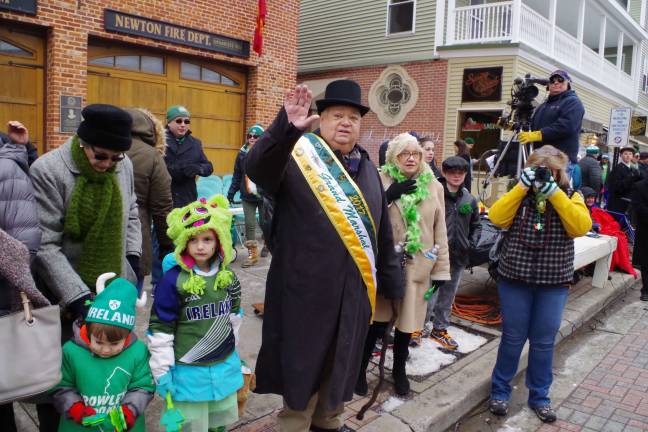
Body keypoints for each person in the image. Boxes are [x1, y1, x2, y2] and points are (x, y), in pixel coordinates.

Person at [246, 80, 402, 432]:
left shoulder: (368, 171)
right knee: (304, 367)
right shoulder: (296, 158)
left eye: (353, 117)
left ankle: (328, 422)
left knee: (341, 363)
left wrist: (393, 285)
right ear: (321, 119)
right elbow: (257, 169)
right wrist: (284, 129)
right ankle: (295, 425)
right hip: (306, 293)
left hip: (354, 294)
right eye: (336, 115)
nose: (346, 122)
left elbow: (382, 233)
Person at [30, 104, 142, 431]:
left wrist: (132, 263)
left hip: (111, 287)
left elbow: (132, 212)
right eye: (101, 156)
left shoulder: (125, 165)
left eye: (116, 158)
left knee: (107, 377)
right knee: (63, 381)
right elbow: (45, 244)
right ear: (82, 142)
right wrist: (79, 299)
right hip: (64, 296)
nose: (108, 165)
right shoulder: (48, 170)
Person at [487, 145, 591, 423]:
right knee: (512, 337)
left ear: (561, 171)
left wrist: (556, 195)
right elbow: (496, 217)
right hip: (515, 278)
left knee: (544, 342)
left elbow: (580, 227)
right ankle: (499, 392)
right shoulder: (518, 194)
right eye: (540, 170)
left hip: (553, 281)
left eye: (552, 170)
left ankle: (540, 396)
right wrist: (521, 187)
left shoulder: (571, 195)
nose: (546, 175)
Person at [356, 133, 449, 397]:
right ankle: (360, 370)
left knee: (407, 326)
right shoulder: (379, 180)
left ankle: (399, 372)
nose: (411, 158)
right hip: (386, 266)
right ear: (392, 157)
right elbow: (364, 220)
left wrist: (441, 270)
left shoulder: (434, 186)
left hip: (417, 268)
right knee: (376, 323)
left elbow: (440, 231)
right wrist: (387, 196)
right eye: (404, 154)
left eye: (416, 153)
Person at [148, 195, 243, 432]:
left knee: (218, 424)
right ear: (184, 242)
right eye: (193, 239)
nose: (201, 246)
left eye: (208, 239)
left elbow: (234, 317)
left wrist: (233, 350)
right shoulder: (173, 281)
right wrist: (162, 370)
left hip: (221, 367)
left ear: (219, 240)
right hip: (188, 374)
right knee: (191, 427)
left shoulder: (228, 278)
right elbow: (161, 327)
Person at [51, 274, 153, 431]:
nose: (105, 350)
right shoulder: (71, 352)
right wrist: (76, 410)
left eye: (114, 344)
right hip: (80, 425)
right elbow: (61, 386)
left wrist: (128, 412)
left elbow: (143, 386)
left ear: (126, 335)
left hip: (123, 425)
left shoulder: (138, 351)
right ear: (89, 330)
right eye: (98, 342)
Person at [426, 156, 481, 350]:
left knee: (448, 295)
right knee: (429, 293)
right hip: (435, 257)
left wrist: (471, 243)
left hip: (458, 257)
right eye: (452, 172)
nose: (456, 176)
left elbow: (477, 224)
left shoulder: (469, 198)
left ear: (465, 174)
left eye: (460, 173)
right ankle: (420, 326)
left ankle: (439, 328)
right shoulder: (434, 194)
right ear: (444, 173)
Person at [124, 108, 174, 292]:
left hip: (98, 241)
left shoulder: (104, 147)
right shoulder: (152, 155)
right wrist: (166, 244)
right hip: (136, 236)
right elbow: (162, 207)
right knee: (127, 304)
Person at [518, 70, 585, 173]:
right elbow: (533, 126)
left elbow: (567, 126)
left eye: (560, 80)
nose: (556, 83)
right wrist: (516, 126)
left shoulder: (573, 102)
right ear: (548, 85)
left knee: (557, 189)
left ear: (568, 84)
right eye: (552, 80)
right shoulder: (544, 105)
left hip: (560, 161)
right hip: (541, 159)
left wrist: (539, 134)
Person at [227, 124, 268, 266]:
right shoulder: (242, 154)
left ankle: (267, 243)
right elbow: (237, 174)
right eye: (249, 136)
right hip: (247, 195)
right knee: (249, 224)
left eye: (256, 136)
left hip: (264, 195)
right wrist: (231, 193)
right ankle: (252, 255)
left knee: (265, 223)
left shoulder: (268, 153)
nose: (252, 138)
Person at [164, 105, 213, 208]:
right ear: (169, 123)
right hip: (165, 198)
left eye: (186, 122)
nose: (183, 125)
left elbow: (208, 167)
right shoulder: (159, 141)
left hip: (187, 199)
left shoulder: (195, 143)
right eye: (178, 121)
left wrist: (198, 168)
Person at [606, 146, 641, 214]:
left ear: (632, 156)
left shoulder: (634, 169)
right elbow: (616, 187)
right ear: (621, 155)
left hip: (629, 202)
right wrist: (630, 178)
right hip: (618, 202)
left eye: (630, 154)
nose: (628, 156)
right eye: (625, 154)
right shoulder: (617, 169)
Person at [633, 176, 648, 301]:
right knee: (646, 261)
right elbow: (639, 208)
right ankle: (646, 290)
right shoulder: (640, 186)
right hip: (645, 229)